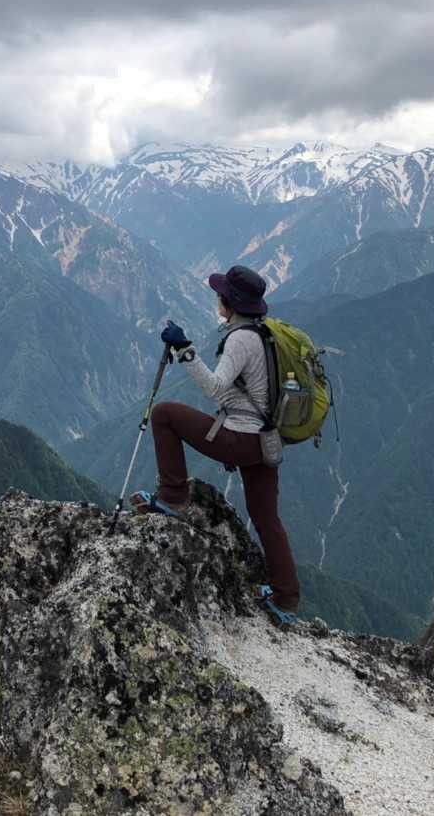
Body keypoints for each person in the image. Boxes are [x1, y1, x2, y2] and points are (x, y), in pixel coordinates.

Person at [130, 264, 301, 624]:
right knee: (267, 519)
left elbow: (215, 387)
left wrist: (185, 349)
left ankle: (173, 495)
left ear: (230, 302)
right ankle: (286, 598)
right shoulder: (263, 333)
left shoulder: (240, 339)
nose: (217, 299)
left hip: (240, 438)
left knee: (164, 414)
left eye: (220, 295)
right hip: (264, 442)